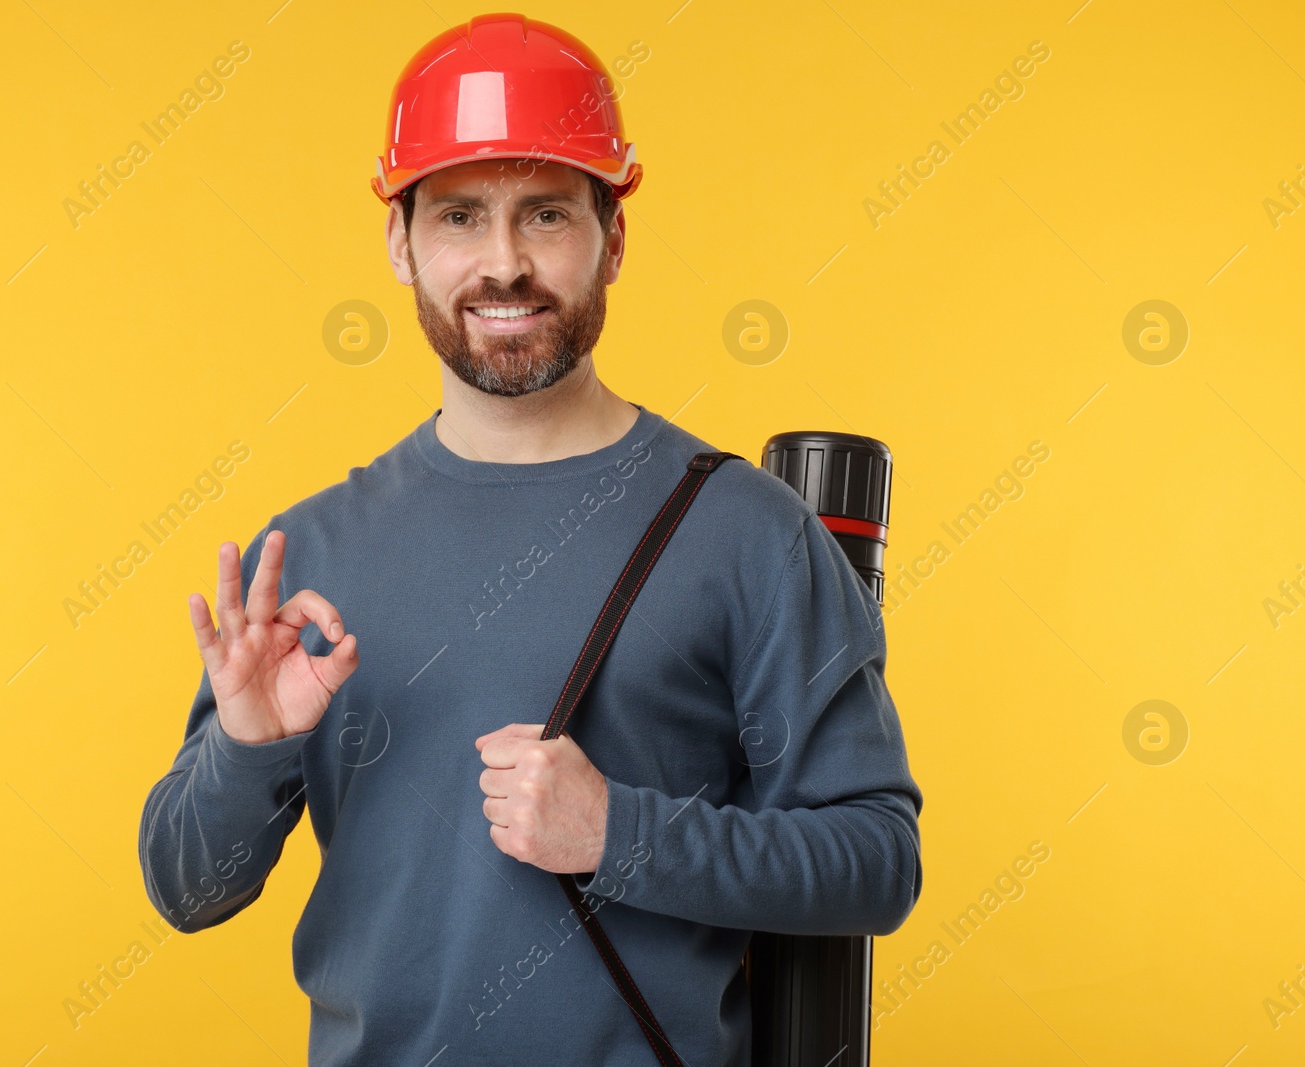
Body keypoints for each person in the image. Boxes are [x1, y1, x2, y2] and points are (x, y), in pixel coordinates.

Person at [138, 13, 922, 1065]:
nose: (503, 265)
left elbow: (875, 861)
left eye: (546, 214)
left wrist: (622, 835)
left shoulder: (746, 532)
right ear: (399, 242)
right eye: (460, 215)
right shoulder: (310, 554)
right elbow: (189, 891)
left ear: (615, 234)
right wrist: (249, 747)